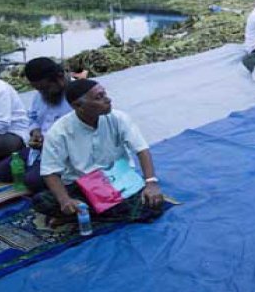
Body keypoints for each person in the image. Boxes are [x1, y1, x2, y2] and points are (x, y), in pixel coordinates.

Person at [33, 79, 164, 224]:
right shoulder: (59, 132)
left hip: (118, 181)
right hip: (81, 185)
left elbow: (141, 149)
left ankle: (87, 215)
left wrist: (151, 182)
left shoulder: (118, 118)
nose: (108, 99)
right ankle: (96, 212)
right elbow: (49, 171)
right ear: (78, 106)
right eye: (99, 97)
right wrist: (65, 200)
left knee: (153, 205)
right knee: (41, 201)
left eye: (104, 94)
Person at [0, 58, 72, 192]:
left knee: (32, 181)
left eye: (45, 88)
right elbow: (32, 117)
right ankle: (38, 170)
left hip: (64, 154)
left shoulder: (78, 95)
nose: (42, 92)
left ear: (59, 77)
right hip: (38, 150)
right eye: (38, 89)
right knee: (1, 171)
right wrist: (35, 131)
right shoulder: (41, 95)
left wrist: (49, 143)